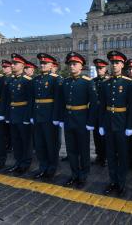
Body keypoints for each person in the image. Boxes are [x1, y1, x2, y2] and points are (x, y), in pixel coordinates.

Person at [100, 51, 132, 197]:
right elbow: (102, 105)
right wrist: (101, 124)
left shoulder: (128, 83)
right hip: (108, 123)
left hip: (122, 123)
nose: (114, 65)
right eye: (112, 62)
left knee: (122, 154)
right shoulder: (105, 83)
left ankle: (121, 182)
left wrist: (130, 125)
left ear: (122, 65)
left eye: (117, 62)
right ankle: (112, 180)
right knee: (110, 154)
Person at [60, 52, 97, 188]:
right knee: (71, 150)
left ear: (81, 66)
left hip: (82, 119)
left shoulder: (88, 82)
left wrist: (90, 122)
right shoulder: (66, 82)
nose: (72, 67)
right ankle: (74, 173)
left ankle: (84, 174)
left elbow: (94, 104)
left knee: (83, 149)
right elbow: (61, 102)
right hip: (69, 119)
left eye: (75, 64)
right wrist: (62, 119)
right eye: (70, 64)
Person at [31, 53, 61, 179]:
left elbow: (58, 101)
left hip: (49, 117)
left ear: (51, 65)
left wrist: (56, 117)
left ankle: (52, 168)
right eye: (41, 63)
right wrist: (32, 115)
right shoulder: (36, 79)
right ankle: (43, 166)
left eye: (45, 63)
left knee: (51, 144)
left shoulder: (56, 79)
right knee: (40, 144)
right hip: (38, 116)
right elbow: (32, 99)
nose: (42, 65)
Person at [4, 54, 34, 175]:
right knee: (16, 140)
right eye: (12, 63)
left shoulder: (28, 81)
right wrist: (7, 115)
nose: (12, 65)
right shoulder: (10, 80)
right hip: (13, 114)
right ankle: (18, 162)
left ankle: (25, 163)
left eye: (15, 64)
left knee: (25, 141)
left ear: (22, 65)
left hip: (23, 115)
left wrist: (28, 117)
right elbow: (7, 100)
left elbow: (31, 100)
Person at [92, 58, 109, 167]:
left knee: (106, 136)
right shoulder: (93, 81)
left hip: (106, 113)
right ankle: (99, 155)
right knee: (96, 135)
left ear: (106, 68)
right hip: (95, 113)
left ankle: (107, 157)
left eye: (101, 68)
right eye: (97, 68)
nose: (99, 70)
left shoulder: (108, 81)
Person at [1, 59, 13, 151]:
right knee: (4, 128)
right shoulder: (2, 78)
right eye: (3, 67)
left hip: (10, 107)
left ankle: (10, 145)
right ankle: (7, 144)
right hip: (4, 106)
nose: (3, 68)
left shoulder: (12, 78)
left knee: (10, 128)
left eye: (5, 67)